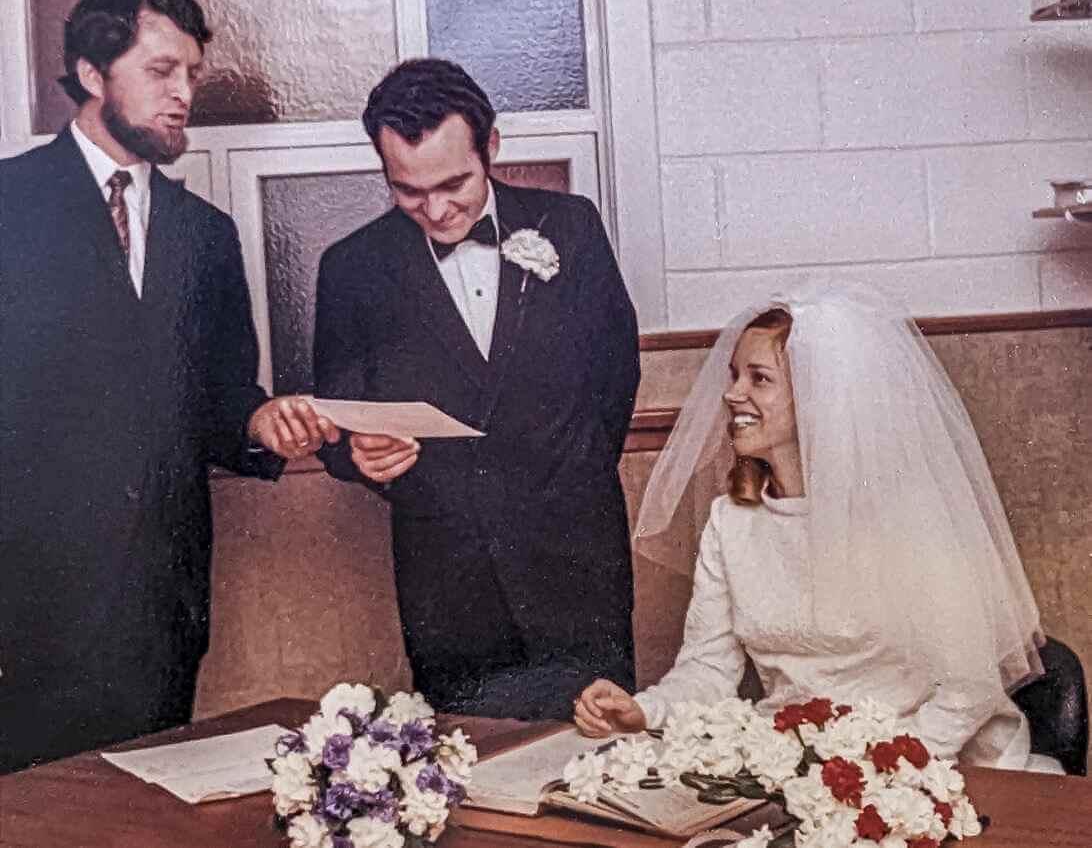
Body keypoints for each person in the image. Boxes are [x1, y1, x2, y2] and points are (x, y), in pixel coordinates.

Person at [0, 0, 338, 772]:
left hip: (159, 613)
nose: (184, 94)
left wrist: (263, 425)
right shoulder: (7, 206)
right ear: (91, 73)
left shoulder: (206, 235)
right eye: (161, 72)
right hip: (23, 612)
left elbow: (223, 401)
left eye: (192, 74)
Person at [573, 284, 1059, 772]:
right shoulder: (731, 521)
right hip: (789, 761)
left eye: (758, 379)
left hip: (925, 762)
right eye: (735, 375)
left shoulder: (907, 520)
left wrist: (882, 768)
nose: (732, 393)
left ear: (820, 396)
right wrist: (643, 710)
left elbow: (969, 689)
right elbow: (709, 668)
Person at [314, 58, 640, 719]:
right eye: (406, 190)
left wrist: (560, 484)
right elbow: (337, 421)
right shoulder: (352, 269)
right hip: (449, 588)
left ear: (491, 147)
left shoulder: (570, 229)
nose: (433, 209)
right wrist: (358, 454)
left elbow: (615, 381)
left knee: (598, 774)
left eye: (453, 183)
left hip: (578, 568)